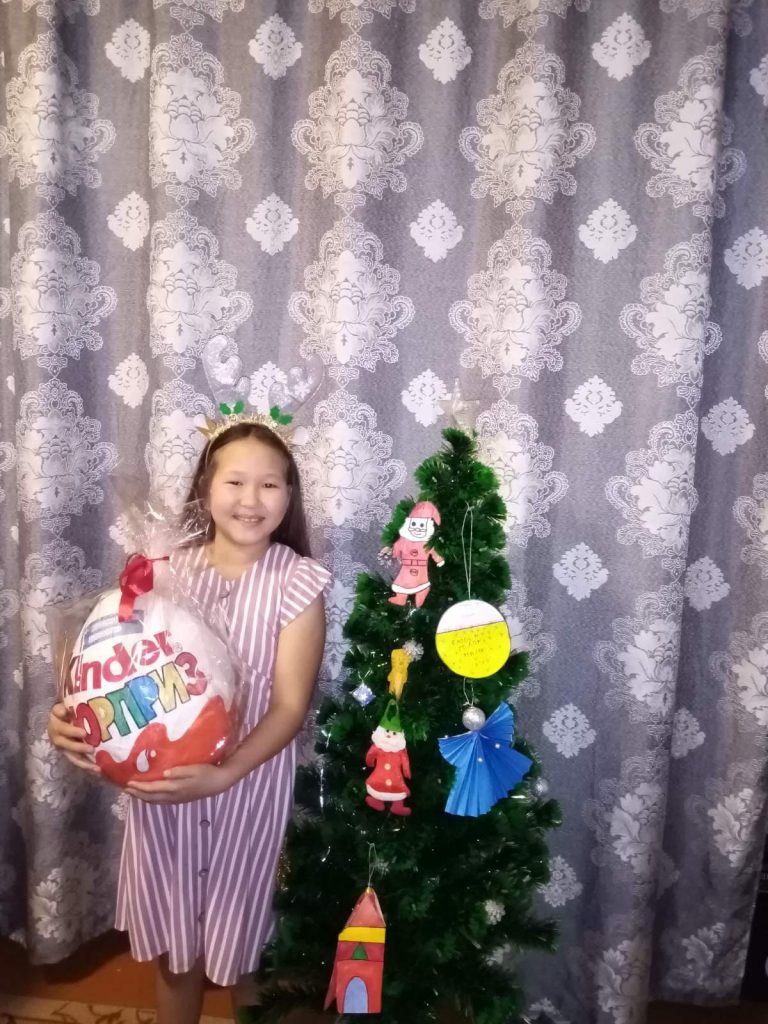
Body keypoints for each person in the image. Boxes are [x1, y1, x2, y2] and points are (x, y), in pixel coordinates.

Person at [47, 420, 330, 1024]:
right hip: (165, 799)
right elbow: (112, 670)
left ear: (290, 494)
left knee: (243, 955)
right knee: (175, 954)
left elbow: (289, 708)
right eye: (235, 481)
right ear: (205, 489)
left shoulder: (297, 582)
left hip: (247, 792)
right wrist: (71, 719)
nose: (251, 499)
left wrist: (223, 774)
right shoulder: (163, 573)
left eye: (269, 484)